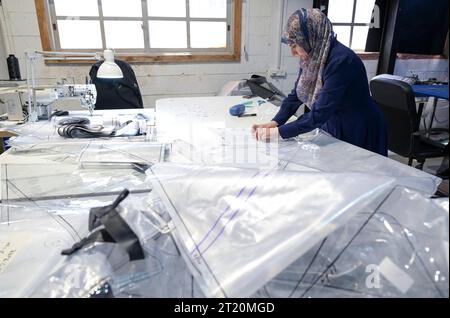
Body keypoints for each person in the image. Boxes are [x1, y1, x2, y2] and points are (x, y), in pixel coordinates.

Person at [252, 8, 388, 156]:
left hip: (358, 127)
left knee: (360, 174)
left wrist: (278, 133)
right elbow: (297, 94)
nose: (292, 53)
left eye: (295, 45)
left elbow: (320, 113)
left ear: (311, 37)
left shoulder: (341, 61)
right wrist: (276, 122)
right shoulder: (313, 56)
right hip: (334, 122)